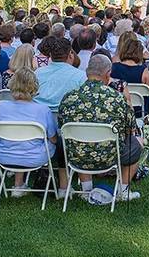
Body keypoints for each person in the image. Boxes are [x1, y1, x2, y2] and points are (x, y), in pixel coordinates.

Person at [60, 54, 143, 202]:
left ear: (87, 73)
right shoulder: (117, 98)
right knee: (136, 144)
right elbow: (131, 128)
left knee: (78, 141)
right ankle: (123, 190)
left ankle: (86, 190)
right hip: (110, 156)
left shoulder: (69, 98)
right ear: (108, 74)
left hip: (76, 155)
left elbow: (62, 127)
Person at [0, 68, 68, 197]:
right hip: (33, 157)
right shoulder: (42, 110)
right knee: (60, 143)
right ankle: (64, 187)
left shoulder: (2, 107)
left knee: (19, 140)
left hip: (4, 155)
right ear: (34, 86)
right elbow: (53, 139)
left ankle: (18, 186)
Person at [34, 37, 86, 113]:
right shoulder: (81, 76)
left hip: (38, 117)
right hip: (66, 117)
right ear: (70, 55)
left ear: (50, 55)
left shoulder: (37, 73)